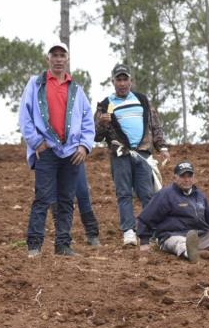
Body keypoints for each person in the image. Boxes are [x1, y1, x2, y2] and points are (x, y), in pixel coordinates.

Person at [19, 42, 95, 257]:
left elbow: (88, 120)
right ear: (48, 58)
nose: (59, 59)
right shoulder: (36, 84)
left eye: (62, 55)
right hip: (46, 150)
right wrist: (35, 141)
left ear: (67, 59)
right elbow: (25, 117)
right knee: (42, 197)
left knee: (66, 199)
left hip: (71, 152)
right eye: (55, 55)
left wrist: (84, 146)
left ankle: (63, 244)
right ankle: (34, 245)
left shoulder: (76, 90)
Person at [95, 63, 170, 246]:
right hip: (120, 154)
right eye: (118, 80)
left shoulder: (142, 100)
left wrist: (162, 147)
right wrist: (102, 123)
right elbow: (96, 135)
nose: (122, 83)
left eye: (125, 79)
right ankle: (128, 231)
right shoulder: (105, 105)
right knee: (124, 193)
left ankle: (148, 230)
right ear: (113, 82)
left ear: (130, 81)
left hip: (143, 153)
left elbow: (155, 124)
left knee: (147, 193)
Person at [136, 161, 209, 262]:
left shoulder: (200, 196)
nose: (187, 180)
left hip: (199, 236)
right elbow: (146, 218)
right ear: (175, 178)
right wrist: (144, 242)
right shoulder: (165, 194)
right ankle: (189, 254)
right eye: (182, 176)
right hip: (173, 236)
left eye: (189, 176)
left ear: (194, 177)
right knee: (179, 242)